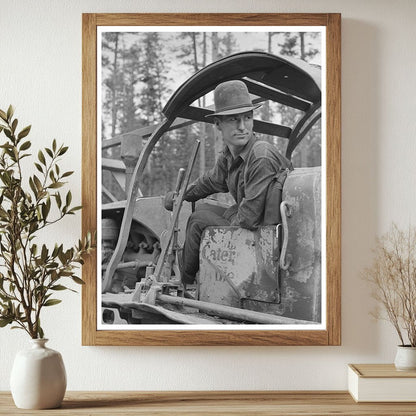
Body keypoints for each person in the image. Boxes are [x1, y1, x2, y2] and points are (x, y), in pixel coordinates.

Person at [165, 80, 292, 284]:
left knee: (198, 221)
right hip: (256, 228)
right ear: (218, 124)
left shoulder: (260, 156)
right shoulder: (230, 156)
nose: (242, 127)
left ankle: (185, 283)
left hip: (267, 238)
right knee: (205, 208)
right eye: (234, 120)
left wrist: (231, 211)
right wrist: (180, 195)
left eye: (247, 118)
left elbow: (248, 219)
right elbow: (209, 182)